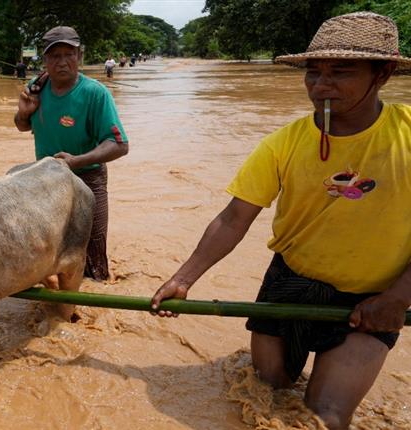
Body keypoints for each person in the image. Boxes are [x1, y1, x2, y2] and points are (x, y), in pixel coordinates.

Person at [151, 13, 410, 430]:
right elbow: (235, 218)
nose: (321, 86)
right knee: (266, 386)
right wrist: (183, 278)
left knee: (324, 416)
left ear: (382, 74)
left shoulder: (408, 136)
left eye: (340, 72)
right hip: (289, 283)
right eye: (313, 72)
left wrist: (399, 297)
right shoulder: (283, 143)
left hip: (370, 301)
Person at [14, 26, 129, 281]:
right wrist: (24, 112)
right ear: (44, 60)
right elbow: (22, 126)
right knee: (44, 243)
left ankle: (95, 295)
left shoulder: (94, 93)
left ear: (80, 56)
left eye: (69, 54)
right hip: (45, 180)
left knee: (93, 247)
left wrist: (76, 161)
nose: (62, 62)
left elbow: (120, 144)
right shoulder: (37, 87)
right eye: (55, 56)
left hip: (88, 179)